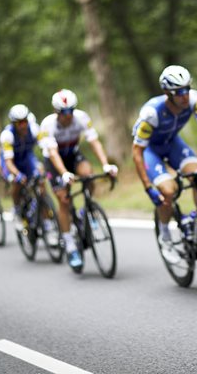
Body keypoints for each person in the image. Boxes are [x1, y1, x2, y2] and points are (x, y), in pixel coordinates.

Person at [131, 65, 197, 264]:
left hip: (172, 144)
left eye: (187, 89)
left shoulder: (194, 100)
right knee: (167, 192)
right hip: (150, 151)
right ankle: (165, 238)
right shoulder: (152, 113)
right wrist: (148, 187)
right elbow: (136, 152)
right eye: (178, 92)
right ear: (167, 93)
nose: (184, 95)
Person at [39, 89, 118, 272]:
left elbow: (94, 142)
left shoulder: (81, 117)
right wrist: (64, 173)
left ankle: (87, 209)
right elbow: (52, 152)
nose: (68, 116)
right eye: (64, 112)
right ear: (56, 111)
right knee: (64, 200)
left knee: (88, 174)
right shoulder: (47, 125)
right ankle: (70, 246)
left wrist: (106, 164)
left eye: (71, 111)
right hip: (54, 161)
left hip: (73, 154)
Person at [0, 104, 43, 230]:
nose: (23, 125)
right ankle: (17, 210)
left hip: (27, 158)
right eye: (19, 123)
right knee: (17, 182)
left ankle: (46, 217)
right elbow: (8, 162)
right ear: (13, 124)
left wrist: (43, 166)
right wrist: (17, 174)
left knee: (41, 180)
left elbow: (45, 148)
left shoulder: (34, 129)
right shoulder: (7, 135)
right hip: (11, 162)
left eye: (25, 121)